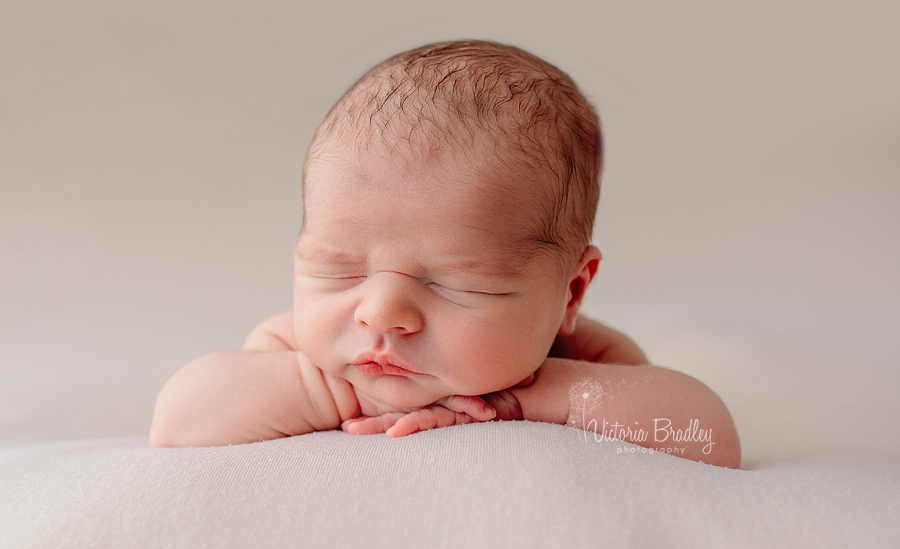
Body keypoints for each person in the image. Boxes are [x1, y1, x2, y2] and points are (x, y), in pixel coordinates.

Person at [150, 40, 740, 468]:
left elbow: (704, 433)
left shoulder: (577, 355)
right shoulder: (298, 350)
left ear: (571, 293)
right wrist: (334, 391)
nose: (379, 313)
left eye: (457, 284)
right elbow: (177, 423)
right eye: (339, 268)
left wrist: (526, 398)